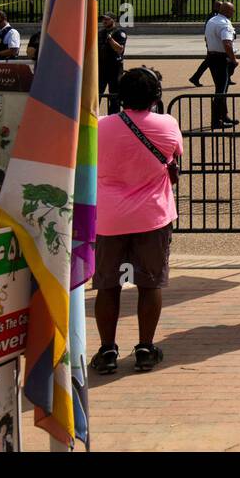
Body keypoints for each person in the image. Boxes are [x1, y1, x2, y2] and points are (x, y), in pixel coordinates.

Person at [91, 67, 182, 374]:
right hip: (152, 215)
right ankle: (145, 347)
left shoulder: (101, 126)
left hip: (109, 217)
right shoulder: (167, 124)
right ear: (156, 96)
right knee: (150, 283)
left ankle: (107, 350)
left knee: (107, 285)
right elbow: (174, 155)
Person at [190, 1, 238, 128]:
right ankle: (216, 121)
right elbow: (227, 43)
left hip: (212, 56)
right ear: (227, 11)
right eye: (232, 10)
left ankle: (224, 116)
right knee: (221, 90)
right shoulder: (224, 24)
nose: (233, 12)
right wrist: (234, 59)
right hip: (221, 58)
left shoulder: (212, 20)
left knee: (222, 88)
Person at [99, 11, 128, 115]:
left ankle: (114, 117)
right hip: (101, 69)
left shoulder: (119, 33)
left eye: (107, 19)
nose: (104, 21)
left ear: (113, 20)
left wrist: (110, 39)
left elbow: (120, 49)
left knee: (114, 96)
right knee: (96, 95)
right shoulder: (100, 33)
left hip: (114, 69)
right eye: (103, 19)